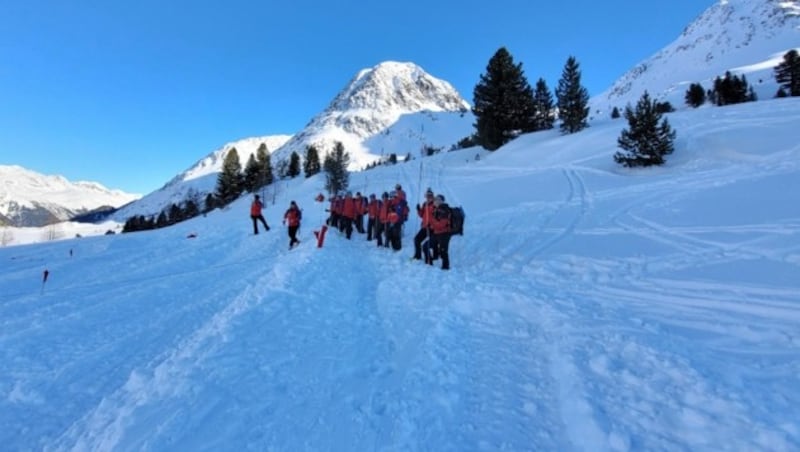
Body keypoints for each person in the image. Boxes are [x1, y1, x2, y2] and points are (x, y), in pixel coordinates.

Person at [428, 194, 452, 270]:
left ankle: (445, 267)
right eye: (435, 199)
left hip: (444, 233)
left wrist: (432, 223)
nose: (435, 201)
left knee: (443, 251)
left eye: (437, 200)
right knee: (426, 246)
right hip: (437, 233)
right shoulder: (436, 209)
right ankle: (430, 262)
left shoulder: (444, 209)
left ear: (441, 201)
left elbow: (441, 224)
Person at [413, 188, 435, 260]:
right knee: (416, 239)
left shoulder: (435, 205)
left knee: (431, 243)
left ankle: (434, 256)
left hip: (433, 228)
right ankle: (417, 255)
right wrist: (419, 209)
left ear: (432, 196)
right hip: (425, 226)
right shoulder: (425, 204)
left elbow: (437, 217)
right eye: (427, 196)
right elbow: (421, 215)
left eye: (430, 196)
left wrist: (431, 224)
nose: (428, 198)